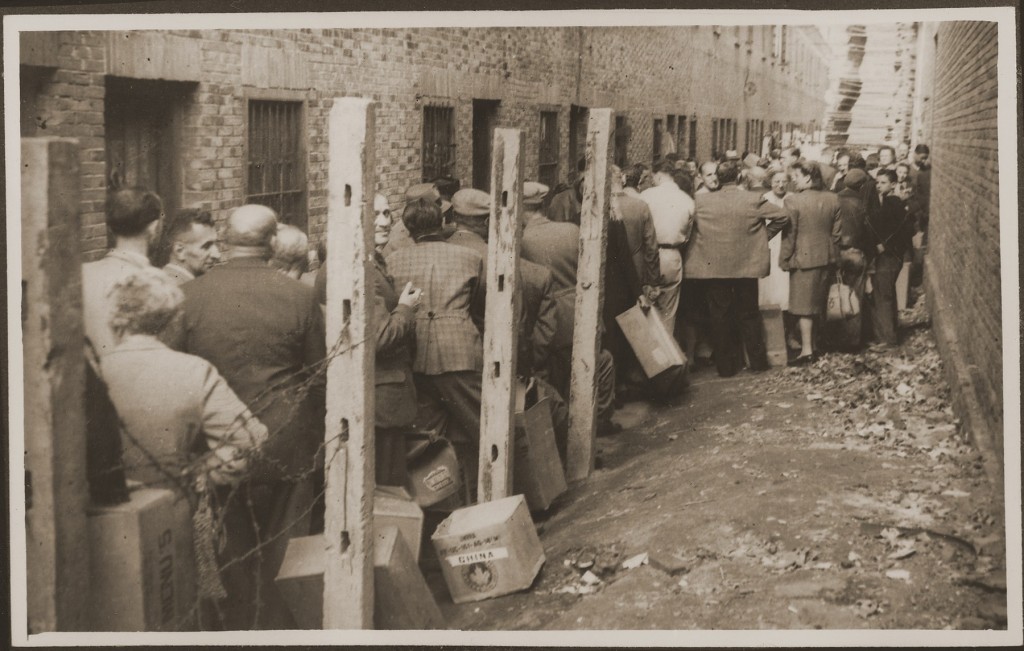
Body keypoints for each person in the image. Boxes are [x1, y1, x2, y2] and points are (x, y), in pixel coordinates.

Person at [178, 203, 326, 629]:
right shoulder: (299, 295)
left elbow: (181, 372)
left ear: (225, 240)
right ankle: (279, 628)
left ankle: (240, 627)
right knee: (287, 546)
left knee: (231, 545)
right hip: (288, 440)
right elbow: (318, 374)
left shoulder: (190, 296)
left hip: (219, 443)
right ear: (273, 241)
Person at [104, 267, 267, 490]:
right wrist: (201, 476)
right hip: (175, 497)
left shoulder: (94, 372)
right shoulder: (195, 370)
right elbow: (248, 441)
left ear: (115, 321)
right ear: (171, 320)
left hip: (103, 504)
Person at [386, 197, 487, 493]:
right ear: (443, 223)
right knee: (484, 426)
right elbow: (479, 306)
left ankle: (437, 502)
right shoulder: (470, 257)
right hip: (460, 352)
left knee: (427, 438)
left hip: (414, 356)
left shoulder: (392, 261)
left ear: (407, 229)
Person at [81, 187, 167, 504]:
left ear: (110, 225)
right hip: (145, 415)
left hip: (92, 419)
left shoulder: (81, 274)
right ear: (154, 226)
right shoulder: (157, 284)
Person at [520, 182, 618, 434]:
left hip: (547, 317)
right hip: (580, 310)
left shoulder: (523, 241)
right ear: (542, 205)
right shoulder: (572, 231)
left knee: (555, 377)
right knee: (591, 367)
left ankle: (564, 432)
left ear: (520, 209)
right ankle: (595, 423)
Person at [683, 160, 789, 377]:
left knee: (719, 315)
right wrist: (763, 237)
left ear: (719, 178)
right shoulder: (752, 199)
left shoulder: (700, 201)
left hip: (714, 267)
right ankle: (758, 363)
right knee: (749, 313)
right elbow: (783, 216)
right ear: (739, 177)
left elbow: (688, 227)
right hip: (746, 265)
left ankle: (725, 367)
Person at [780, 161, 843, 364]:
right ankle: (814, 346)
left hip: (803, 259)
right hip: (826, 257)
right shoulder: (833, 198)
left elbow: (790, 235)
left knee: (803, 306)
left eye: (796, 176)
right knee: (817, 304)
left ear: (808, 178)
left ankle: (807, 350)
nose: (793, 180)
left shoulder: (792, 201)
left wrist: (784, 258)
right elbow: (837, 234)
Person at [640, 160, 695, 335]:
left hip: (647, 256)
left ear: (658, 175)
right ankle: (666, 348)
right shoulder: (687, 200)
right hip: (672, 256)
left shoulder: (646, 196)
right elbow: (687, 235)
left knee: (645, 307)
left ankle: (648, 349)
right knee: (668, 311)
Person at [865, 169, 915, 347]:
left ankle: (887, 340)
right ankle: (891, 333)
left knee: (882, 296)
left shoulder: (893, 203)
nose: (879, 186)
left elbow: (901, 230)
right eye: (877, 182)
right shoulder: (890, 201)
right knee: (887, 293)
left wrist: (885, 245)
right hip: (893, 255)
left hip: (889, 256)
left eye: (883, 183)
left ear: (893, 184)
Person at [159, 207, 221, 285]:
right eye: (206, 246)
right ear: (179, 251)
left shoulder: (163, 280)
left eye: (216, 244)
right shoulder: (176, 288)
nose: (217, 255)